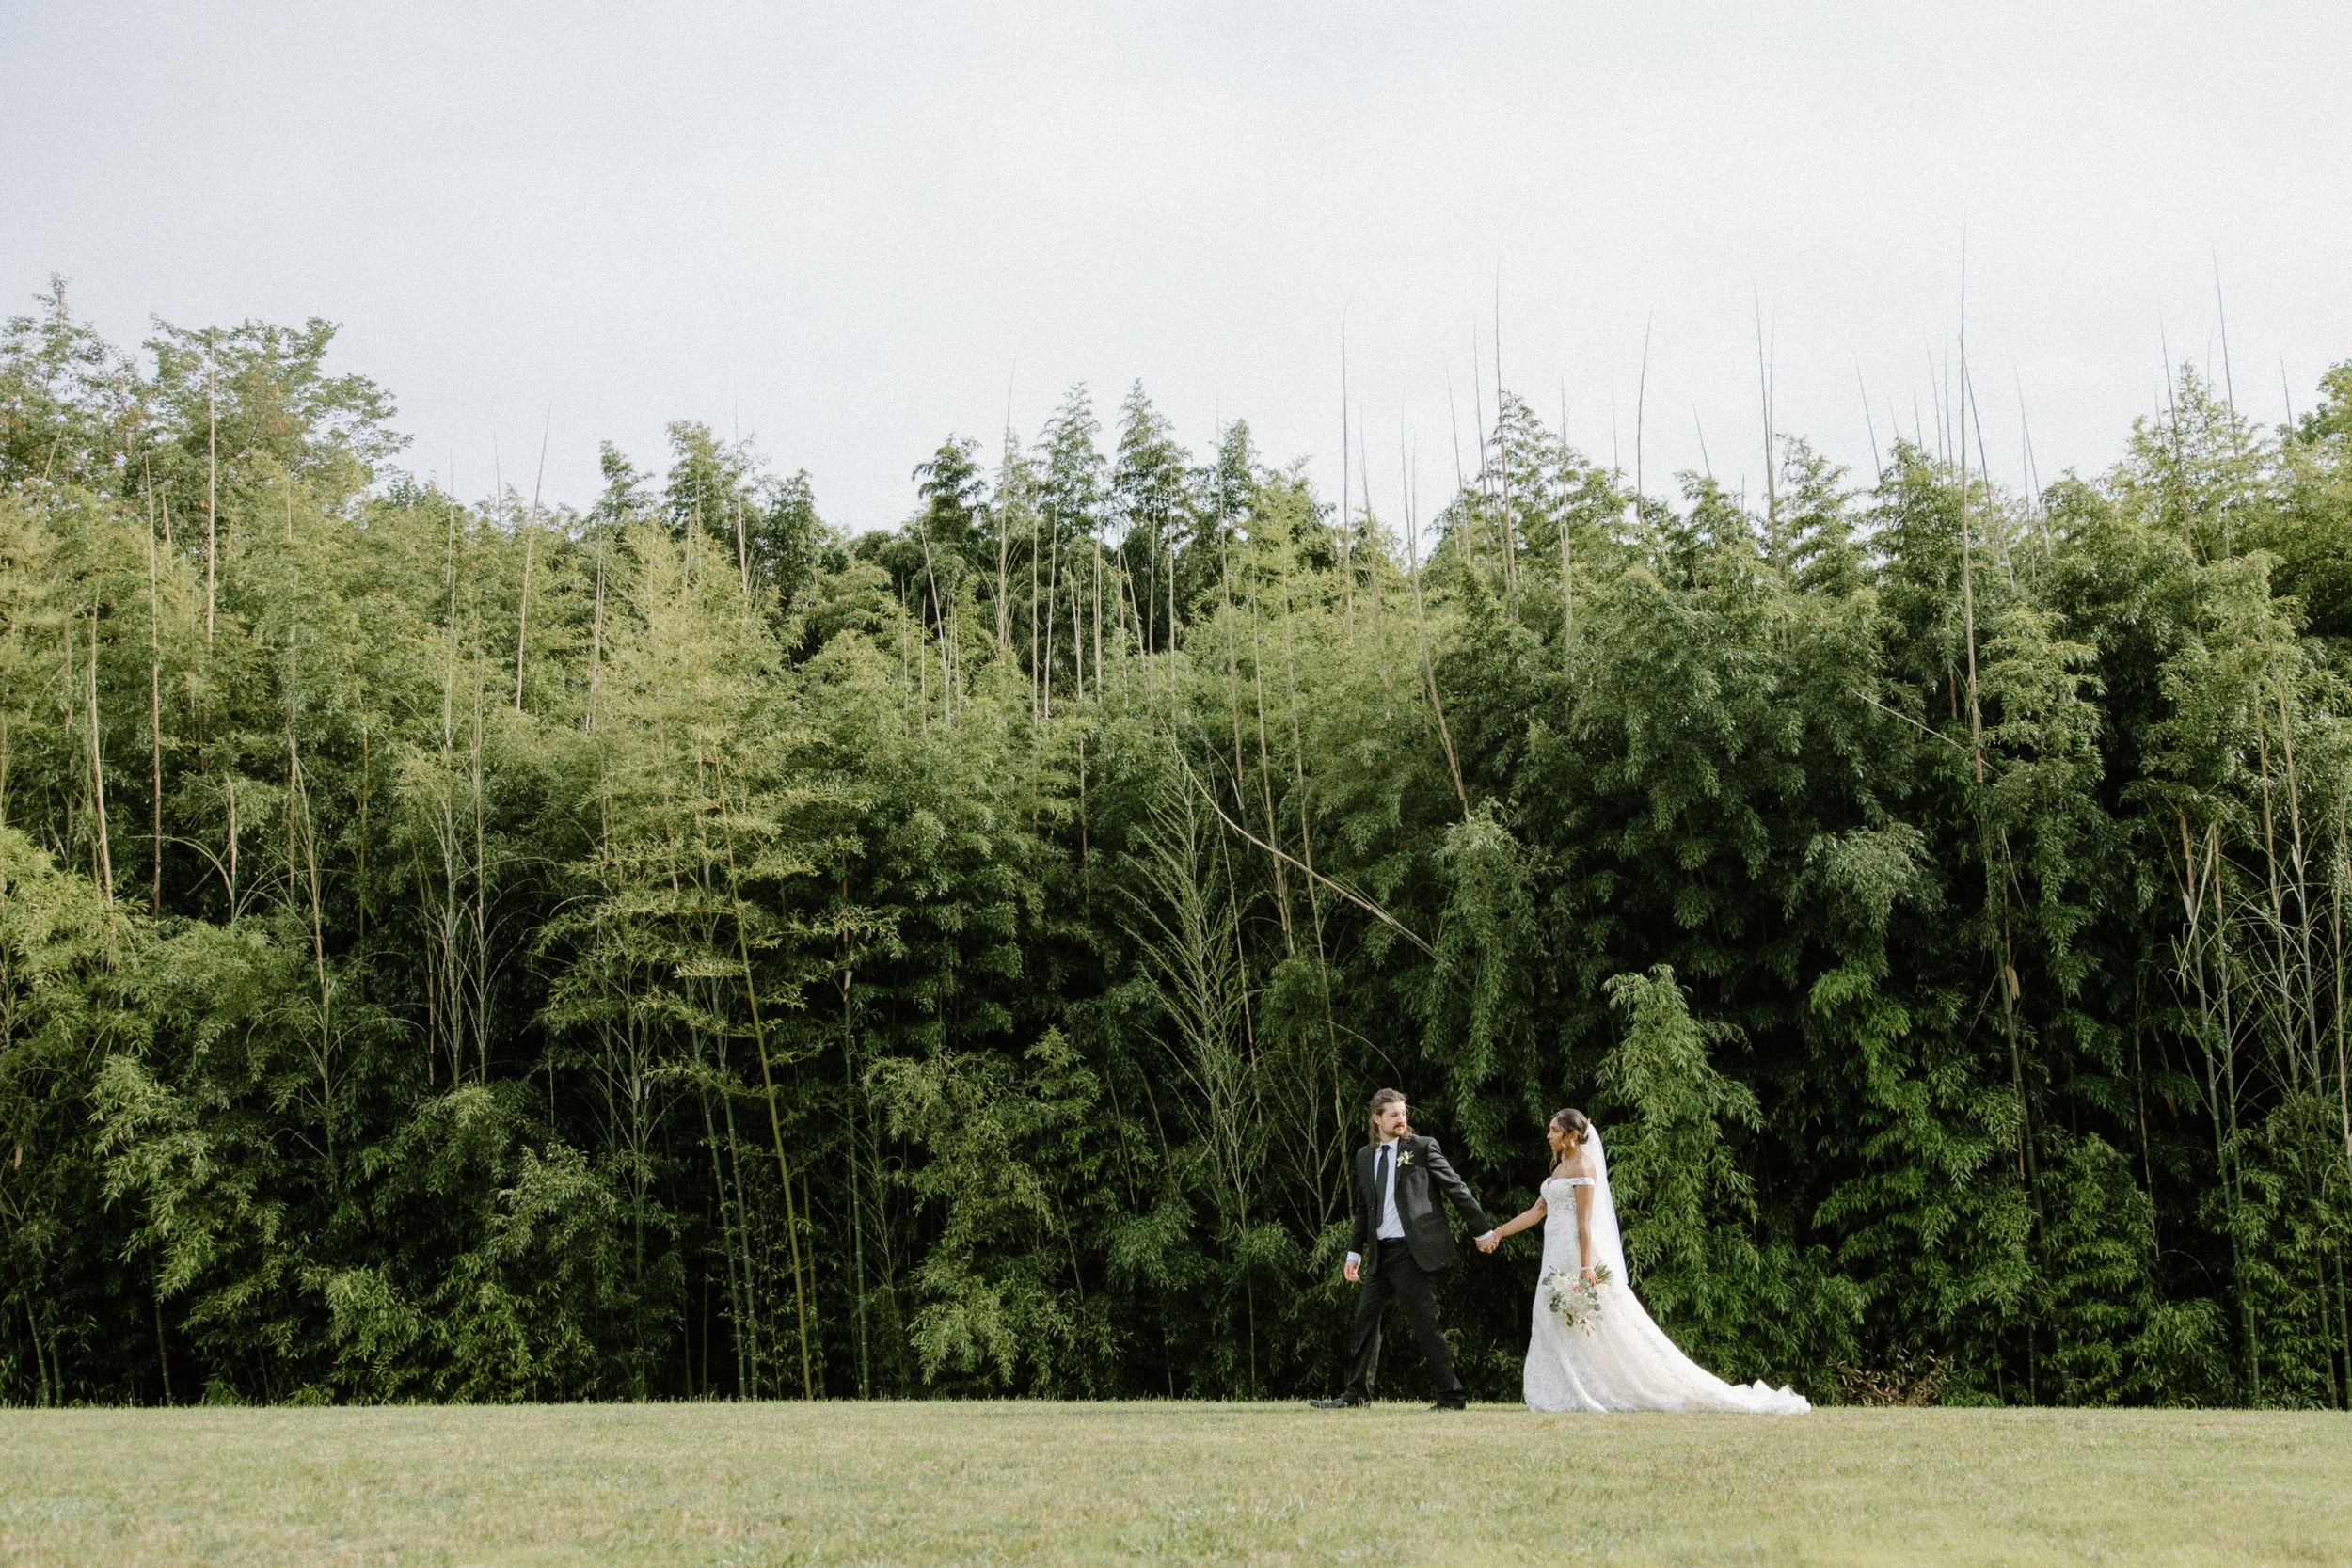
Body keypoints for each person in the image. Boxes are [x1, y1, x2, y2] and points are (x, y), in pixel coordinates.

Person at [1483, 1107, 1809, 1413]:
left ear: (1571, 1135)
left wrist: (1585, 1267)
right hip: (1553, 1253)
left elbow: (1584, 1223)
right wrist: (1498, 1232)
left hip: (1575, 1252)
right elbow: (1537, 1211)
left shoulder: (1583, 1168)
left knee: (1599, 1322)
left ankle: (1607, 1386)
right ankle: (1561, 1389)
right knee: (1549, 1315)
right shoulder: (1557, 1169)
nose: (1548, 1135)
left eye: (1554, 1130)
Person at [1311, 1089, 1497, 1411]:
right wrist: (1353, 1254)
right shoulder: (1364, 1157)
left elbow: (1456, 1188)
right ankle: (1356, 1397)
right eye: (1394, 1114)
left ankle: (1451, 1397)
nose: (1402, 1120)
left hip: (1413, 1253)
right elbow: (1363, 1210)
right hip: (1380, 1255)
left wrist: (1482, 1230)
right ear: (1377, 1119)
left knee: (1426, 1325)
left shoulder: (1422, 1148)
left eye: (1404, 1114)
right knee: (1365, 1322)